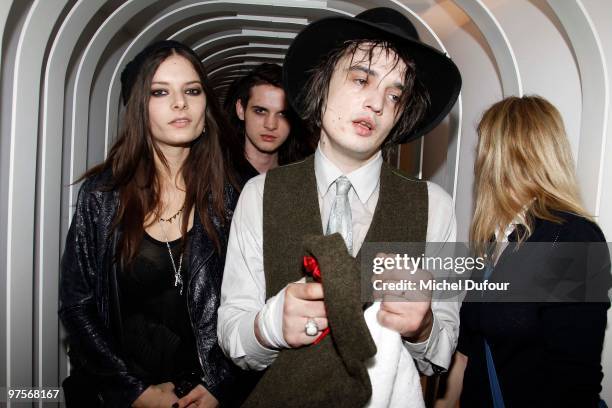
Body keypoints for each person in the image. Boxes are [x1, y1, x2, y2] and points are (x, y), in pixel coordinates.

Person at [218, 7, 462, 407]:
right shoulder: (259, 195)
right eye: (361, 79)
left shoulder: (436, 206)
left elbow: (442, 349)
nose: (377, 104)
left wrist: (425, 327)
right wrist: (269, 325)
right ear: (322, 82)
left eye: (394, 94)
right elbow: (231, 332)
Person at [59, 40, 243, 408]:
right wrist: (133, 392)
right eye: (161, 92)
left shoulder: (231, 197)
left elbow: (251, 304)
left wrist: (220, 386)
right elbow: (78, 307)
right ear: (139, 107)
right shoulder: (102, 196)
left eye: (192, 90)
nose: (180, 103)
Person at [441, 96, 611, 407]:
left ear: (505, 154)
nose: (479, 158)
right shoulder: (495, 240)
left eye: (485, 147)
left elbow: (576, 379)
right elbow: (467, 349)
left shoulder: (573, 239)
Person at [223, 63, 315, 182]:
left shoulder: (303, 178)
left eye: (282, 114)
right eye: (260, 111)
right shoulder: (216, 175)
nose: (271, 125)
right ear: (241, 110)